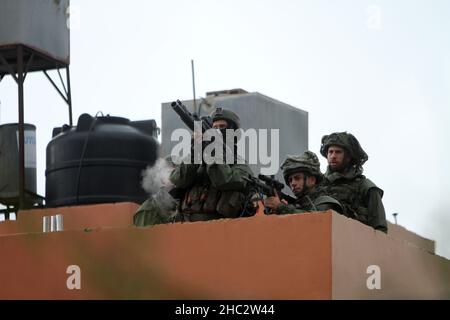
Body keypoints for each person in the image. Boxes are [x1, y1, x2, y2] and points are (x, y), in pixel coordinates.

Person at [169, 107, 254, 222]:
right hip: (185, 229)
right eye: (214, 128)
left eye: (222, 127)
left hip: (219, 231)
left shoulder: (239, 165)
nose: (217, 130)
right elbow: (178, 180)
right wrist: (196, 152)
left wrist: (212, 153)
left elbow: (224, 180)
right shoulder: (197, 161)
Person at [319, 132, 388, 233]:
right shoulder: (319, 184)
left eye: (338, 152)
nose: (333, 156)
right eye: (330, 152)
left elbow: (380, 228)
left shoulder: (366, 187)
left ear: (348, 157)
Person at [264, 151, 343, 214]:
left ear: (312, 180)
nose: (293, 183)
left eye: (297, 178)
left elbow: (315, 221)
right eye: (290, 180)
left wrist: (280, 207)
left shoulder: (326, 202)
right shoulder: (295, 206)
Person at [133, 155, 184, 226]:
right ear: (162, 179)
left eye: (179, 173)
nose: (177, 177)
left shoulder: (187, 203)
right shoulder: (149, 210)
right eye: (172, 172)